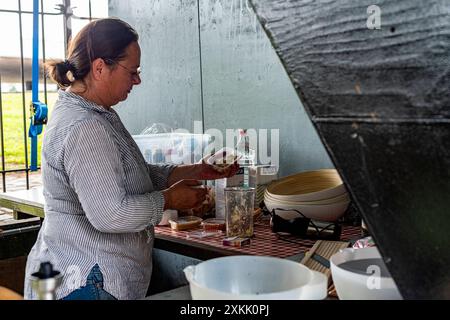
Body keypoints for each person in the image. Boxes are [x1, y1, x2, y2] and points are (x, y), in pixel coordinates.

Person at [24, 17, 238, 300]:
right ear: (100, 67)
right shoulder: (84, 127)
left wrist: (196, 169)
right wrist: (170, 200)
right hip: (84, 283)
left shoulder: (97, 113)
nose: (137, 80)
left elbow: (132, 173)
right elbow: (111, 214)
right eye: (132, 71)